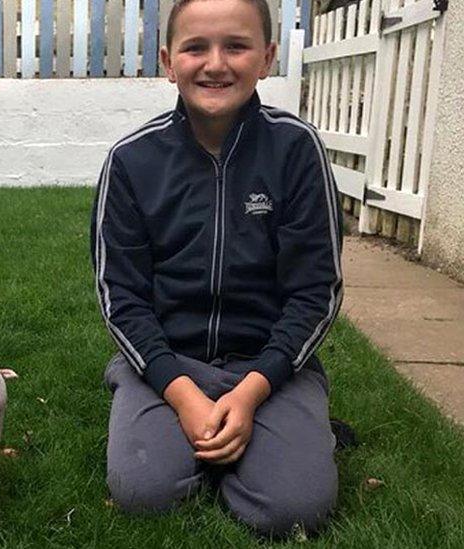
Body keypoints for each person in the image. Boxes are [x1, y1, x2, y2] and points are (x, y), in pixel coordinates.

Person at [91, 0, 343, 537]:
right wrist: (181, 393)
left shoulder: (297, 150)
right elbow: (121, 299)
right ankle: (167, 414)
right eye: (195, 47)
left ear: (267, 57)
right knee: (144, 492)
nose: (215, 64)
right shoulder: (131, 160)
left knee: (293, 509)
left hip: (271, 367)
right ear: (167, 60)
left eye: (236, 46)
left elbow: (316, 293)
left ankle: (280, 429)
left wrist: (252, 391)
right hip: (168, 360)